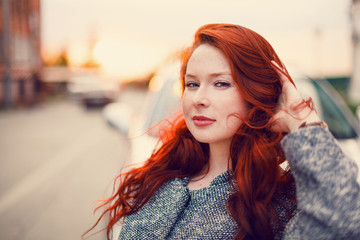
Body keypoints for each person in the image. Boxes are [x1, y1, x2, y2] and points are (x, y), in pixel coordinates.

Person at [85, 24, 360, 240]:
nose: (198, 99)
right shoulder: (157, 177)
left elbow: (346, 217)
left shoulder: (278, 204)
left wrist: (302, 118)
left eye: (220, 84)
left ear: (255, 94)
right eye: (192, 85)